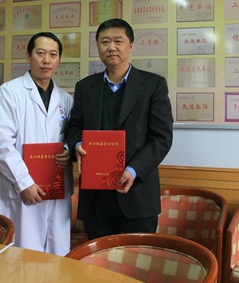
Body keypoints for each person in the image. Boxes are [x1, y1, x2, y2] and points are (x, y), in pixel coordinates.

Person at [66, 18, 173, 240]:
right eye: (105, 41)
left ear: (131, 45)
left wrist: (133, 170)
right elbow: (74, 126)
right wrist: (77, 145)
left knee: (137, 257)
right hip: (96, 196)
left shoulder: (153, 85)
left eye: (118, 41)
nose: (111, 47)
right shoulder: (85, 87)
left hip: (137, 192)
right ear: (98, 46)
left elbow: (161, 138)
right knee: (98, 258)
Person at [0, 32, 73, 256]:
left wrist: (68, 151)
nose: (47, 60)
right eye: (40, 53)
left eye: (53, 55)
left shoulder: (66, 99)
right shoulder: (8, 93)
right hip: (21, 189)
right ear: (28, 56)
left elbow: (68, 137)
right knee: (21, 258)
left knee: (55, 257)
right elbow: (1, 145)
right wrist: (23, 183)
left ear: (59, 60)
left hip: (55, 188)